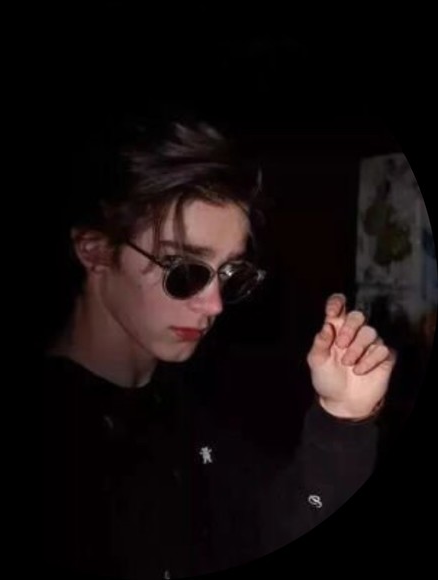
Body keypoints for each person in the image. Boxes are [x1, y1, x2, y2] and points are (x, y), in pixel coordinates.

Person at [43, 116, 396, 578]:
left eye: (230, 273)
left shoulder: (195, 404)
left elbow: (279, 527)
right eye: (183, 271)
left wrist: (342, 418)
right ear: (95, 251)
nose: (214, 305)